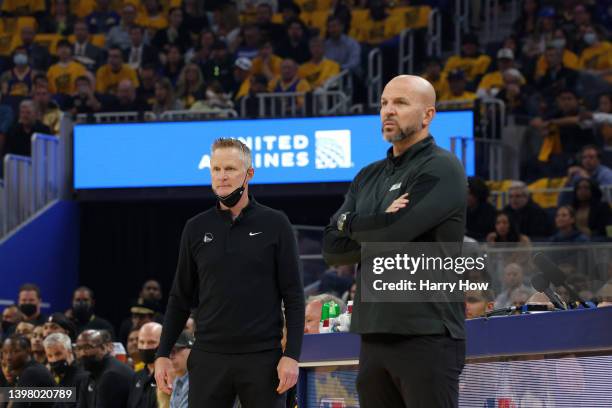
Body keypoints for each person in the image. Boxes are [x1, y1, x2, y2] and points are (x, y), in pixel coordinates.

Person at [322, 75, 467, 407]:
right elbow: (332, 249)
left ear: (428, 114)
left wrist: (351, 223)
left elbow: (394, 233)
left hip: (427, 332)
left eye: (400, 103)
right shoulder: (368, 175)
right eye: (384, 103)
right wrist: (380, 224)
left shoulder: (441, 167)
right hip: (374, 334)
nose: (388, 111)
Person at [154, 138, 305, 407]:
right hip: (209, 356)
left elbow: (293, 296)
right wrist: (163, 352)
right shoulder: (195, 227)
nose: (222, 176)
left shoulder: (275, 223)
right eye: (216, 169)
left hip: (263, 358)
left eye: (230, 169)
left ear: (249, 173)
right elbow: (180, 297)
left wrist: (292, 355)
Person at [76, 330, 134, 408]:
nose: (82, 353)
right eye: (79, 349)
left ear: (104, 348)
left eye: (87, 348)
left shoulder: (112, 375)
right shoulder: (90, 375)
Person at [2, 334, 55, 408]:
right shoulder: (18, 375)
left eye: (15, 351)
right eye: (5, 352)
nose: (8, 357)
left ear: (28, 351)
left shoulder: (32, 372)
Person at [43, 332, 89, 408]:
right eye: (50, 356)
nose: (54, 359)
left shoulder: (83, 377)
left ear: (70, 351)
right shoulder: (51, 376)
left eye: (58, 354)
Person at [128, 322, 165, 408]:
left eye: (151, 342)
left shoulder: (170, 376)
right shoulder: (137, 376)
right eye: (141, 342)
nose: (145, 347)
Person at [169, 331, 193, 408]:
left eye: (174, 351)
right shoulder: (177, 379)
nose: (170, 356)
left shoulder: (198, 378)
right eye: (167, 352)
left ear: (191, 350)